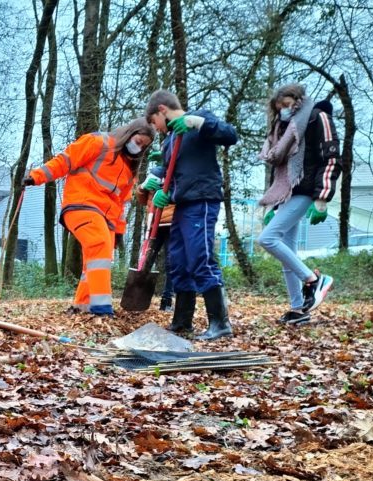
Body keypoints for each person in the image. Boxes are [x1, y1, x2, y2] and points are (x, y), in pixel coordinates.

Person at [24, 119, 155, 316]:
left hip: (107, 217)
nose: (139, 147)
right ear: (129, 134)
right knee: (99, 243)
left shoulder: (130, 170)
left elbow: (121, 204)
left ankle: (82, 305)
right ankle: (101, 307)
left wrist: (119, 233)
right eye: (138, 141)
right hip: (81, 204)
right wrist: (37, 176)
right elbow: (65, 160)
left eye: (143, 146)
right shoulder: (98, 142)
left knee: (97, 260)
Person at [144, 89, 238, 340]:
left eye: (155, 123)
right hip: (182, 204)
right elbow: (171, 170)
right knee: (179, 260)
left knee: (200, 257)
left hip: (201, 200)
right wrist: (162, 186)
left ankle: (220, 323)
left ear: (162, 110)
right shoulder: (171, 138)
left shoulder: (198, 119)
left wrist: (198, 123)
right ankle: (182, 321)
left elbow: (230, 135)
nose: (158, 129)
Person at [257, 83, 338, 326]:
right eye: (279, 107)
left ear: (299, 100)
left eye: (287, 105)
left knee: (267, 239)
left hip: (307, 189)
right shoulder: (282, 128)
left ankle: (314, 279)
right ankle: (298, 309)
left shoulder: (317, 117)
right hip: (287, 193)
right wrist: (276, 206)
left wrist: (322, 197)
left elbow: (331, 157)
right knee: (287, 254)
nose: (284, 110)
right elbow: (280, 170)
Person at [136, 150, 176, 312]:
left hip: (172, 224)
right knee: (146, 260)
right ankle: (138, 298)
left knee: (171, 262)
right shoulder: (154, 174)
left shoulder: (178, 174)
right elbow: (142, 200)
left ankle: (167, 300)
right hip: (154, 225)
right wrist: (142, 188)